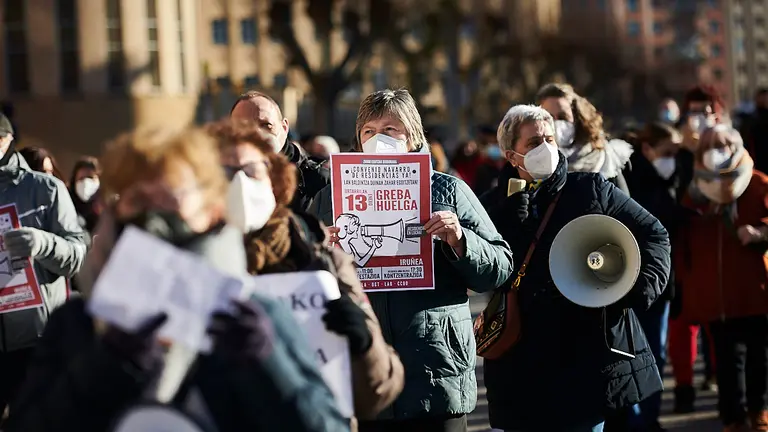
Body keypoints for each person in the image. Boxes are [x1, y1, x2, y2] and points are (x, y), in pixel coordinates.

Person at [7, 126, 349, 432]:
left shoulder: (259, 317)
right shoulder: (79, 325)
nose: (155, 217)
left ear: (211, 210)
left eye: (173, 198)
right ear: (115, 212)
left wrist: (269, 367)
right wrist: (104, 367)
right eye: (139, 200)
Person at [311, 89, 514, 432]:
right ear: (358, 141)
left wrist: (461, 240)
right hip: (368, 373)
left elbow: (499, 268)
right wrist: (322, 251)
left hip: (437, 371)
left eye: (391, 130)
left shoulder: (447, 190)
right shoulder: (330, 198)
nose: (379, 139)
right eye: (369, 132)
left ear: (413, 137)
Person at [479, 105, 670, 432]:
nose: (546, 148)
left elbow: (654, 234)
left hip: (584, 357)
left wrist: (634, 293)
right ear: (512, 156)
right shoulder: (493, 206)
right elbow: (480, 269)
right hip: (520, 365)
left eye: (549, 138)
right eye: (534, 142)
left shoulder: (590, 190)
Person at [209, 120, 405, 429]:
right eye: (225, 173)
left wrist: (365, 346)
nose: (239, 185)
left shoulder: (322, 260)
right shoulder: (184, 271)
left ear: (273, 181)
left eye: (251, 171)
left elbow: (377, 394)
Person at [674, 125, 768, 432]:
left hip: (753, 287)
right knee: (726, 359)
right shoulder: (695, 192)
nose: (719, 150)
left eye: (726, 143)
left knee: (759, 354)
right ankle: (732, 416)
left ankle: (759, 409)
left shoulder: (758, 183)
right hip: (714, 290)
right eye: (712, 145)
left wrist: (760, 232)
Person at [0, 113, 86, 415]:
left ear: (7, 140)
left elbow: (78, 258)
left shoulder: (45, 189)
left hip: (36, 340)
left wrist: (41, 242)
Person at [623, 122, 687, 431]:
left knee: (656, 356)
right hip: (637, 284)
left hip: (663, 284)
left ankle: (649, 419)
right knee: (636, 355)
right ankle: (638, 421)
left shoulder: (670, 181)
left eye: (676, 153)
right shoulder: (632, 182)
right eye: (667, 152)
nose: (672, 158)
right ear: (647, 150)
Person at [669, 85, 722, 411]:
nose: (698, 119)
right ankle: (685, 386)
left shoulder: (724, 147)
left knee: (717, 318)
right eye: (693, 112)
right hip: (681, 245)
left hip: (714, 244)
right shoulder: (674, 154)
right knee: (682, 320)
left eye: (705, 111)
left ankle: (717, 375)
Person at [230, 91, 330, 212]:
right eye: (244, 126)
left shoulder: (319, 182)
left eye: (266, 125)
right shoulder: (218, 179)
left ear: (284, 127)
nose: (256, 134)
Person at [536, 83, 633, 194]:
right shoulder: (533, 162)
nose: (556, 122)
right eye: (549, 117)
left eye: (563, 117)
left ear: (577, 118)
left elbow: (623, 207)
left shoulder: (605, 159)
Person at [68, 156, 103, 236]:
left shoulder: (107, 206)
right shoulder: (66, 203)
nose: (86, 183)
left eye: (91, 178)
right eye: (81, 178)